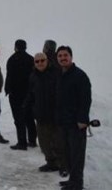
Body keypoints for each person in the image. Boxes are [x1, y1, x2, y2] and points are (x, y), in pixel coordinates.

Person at [24, 52, 67, 175]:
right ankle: (51, 163)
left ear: (47, 61)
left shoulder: (56, 74)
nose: (40, 63)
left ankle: (64, 166)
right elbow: (31, 94)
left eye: (42, 60)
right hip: (41, 116)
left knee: (59, 143)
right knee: (44, 143)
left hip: (55, 116)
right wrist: (26, 106)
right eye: (37, 61)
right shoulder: (33, 76)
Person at [56, 46, 92, 190]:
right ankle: (72, 179)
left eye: (65, 55)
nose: (63, 58)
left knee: (77, 155)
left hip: (76, 123)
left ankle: (77, 183)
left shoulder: (79, 76)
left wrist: (83, 119)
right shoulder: (60, 75)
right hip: (63, 121)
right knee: (68, 153)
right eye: (60, 56)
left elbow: (86, 99)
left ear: (71, 57)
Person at [4, 39, 36, 150]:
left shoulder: (12, 60)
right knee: (29, 117)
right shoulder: (31, 59)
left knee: (18, 119)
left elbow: (9, 77)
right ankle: (32, 140)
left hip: (16, 94)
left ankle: (22, 142)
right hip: (29, 94)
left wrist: (7, 90)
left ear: (16, 47)